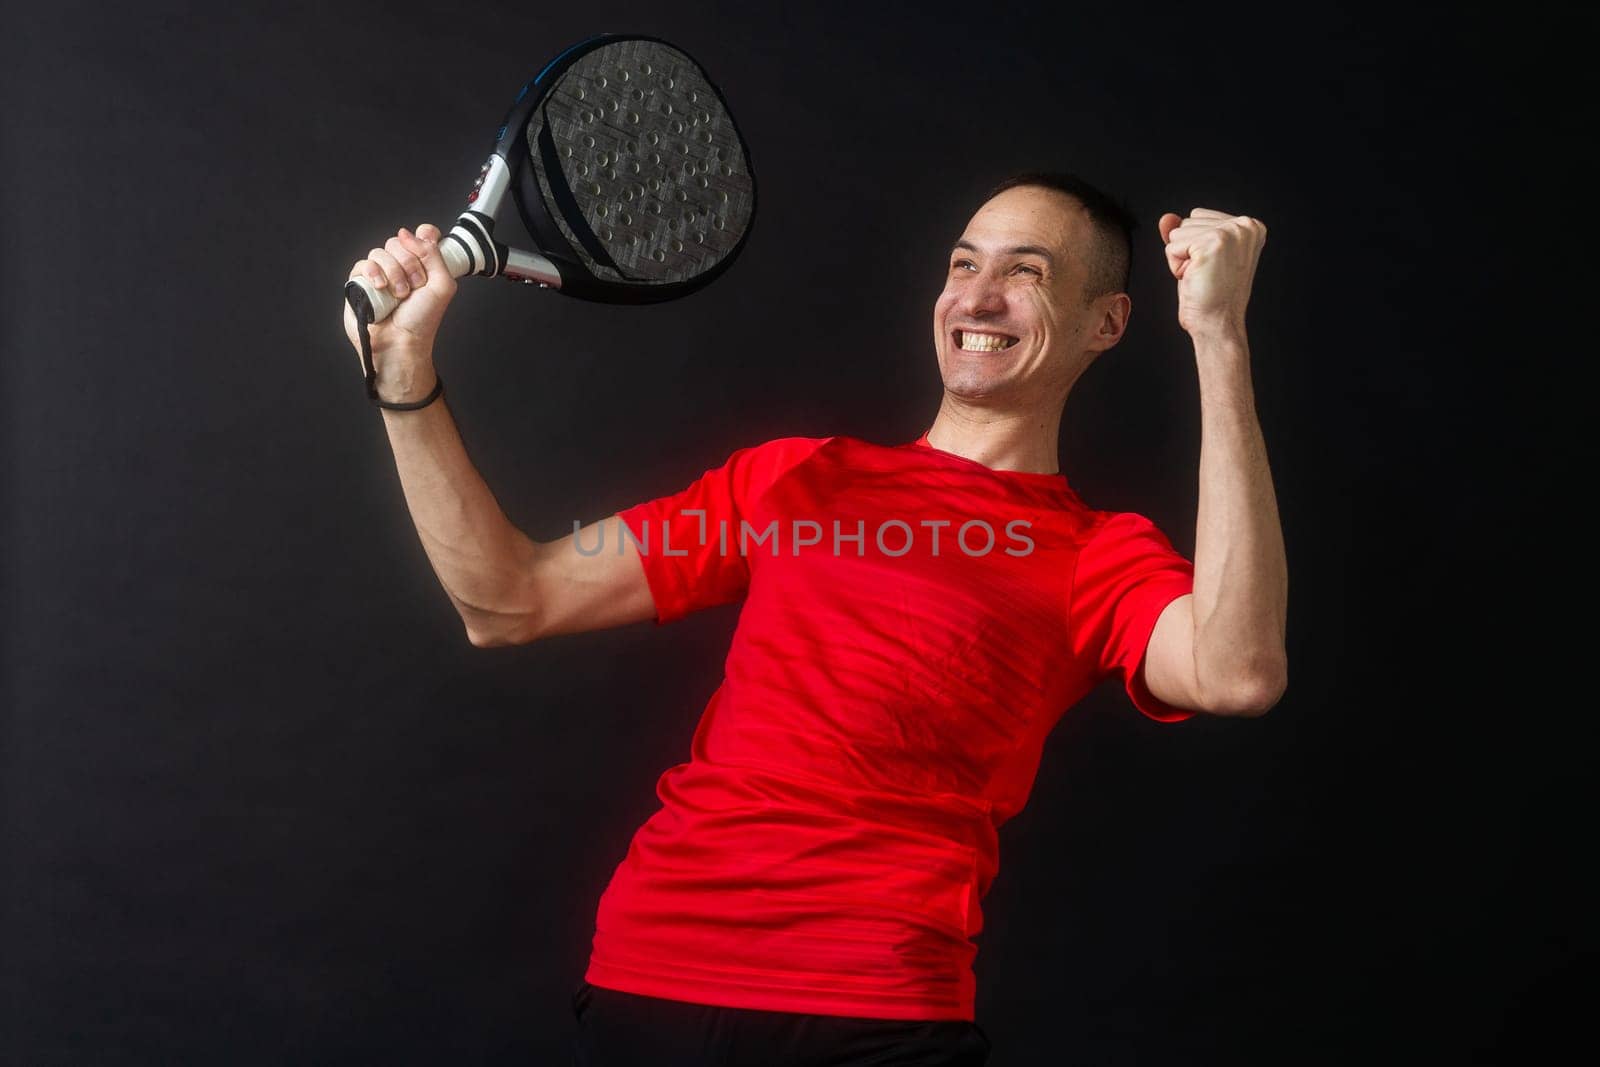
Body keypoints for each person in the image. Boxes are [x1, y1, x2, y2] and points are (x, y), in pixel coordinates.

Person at [342, 171, 1288, 1066]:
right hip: (652, 979)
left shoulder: (1095, 552)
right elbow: (512, 597)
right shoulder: (792, 479)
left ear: (1107, 322)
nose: (979, 296)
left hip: (877, 1007)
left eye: (1026, 273)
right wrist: (402, 371)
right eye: (964, 264)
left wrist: (1218, 335)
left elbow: (1236, 670)